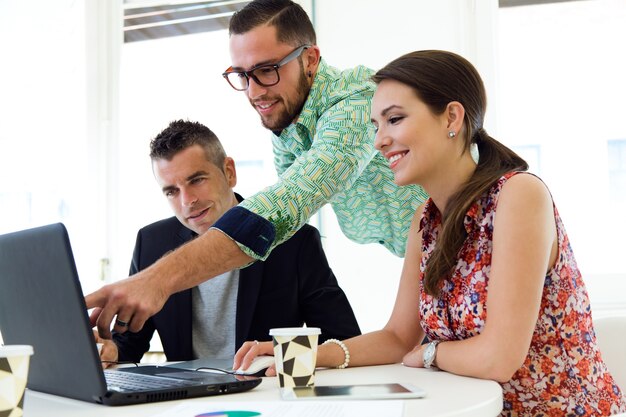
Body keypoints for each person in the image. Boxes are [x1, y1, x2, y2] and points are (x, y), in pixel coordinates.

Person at [234, 50, 626, 416]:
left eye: (395, 119)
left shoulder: (519, 195)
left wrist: (429, 353)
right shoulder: (426, 219)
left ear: (452, 118)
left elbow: (498, 357)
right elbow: (397, 337)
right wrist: (303, 353)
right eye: (376, 124)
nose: (379, 140)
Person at [87, 0, 427, 338]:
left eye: (266, 70)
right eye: (242, 75)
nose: (254, 92)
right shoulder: (288, 125)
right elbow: (284, 231)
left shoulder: (354, 107)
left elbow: (288, 203)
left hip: (464, 243)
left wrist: (156, 279)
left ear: (310, 59)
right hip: (425, 256)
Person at [94, 119, 361, 367]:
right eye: (172, 191)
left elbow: (343, 340)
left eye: (196, 180)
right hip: (187, 402)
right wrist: (110, 352)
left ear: (229, 172)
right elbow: (130, 344)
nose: (187, 201)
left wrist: (281, 356)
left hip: (263, 397)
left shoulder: (294, 240)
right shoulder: (151, 242)